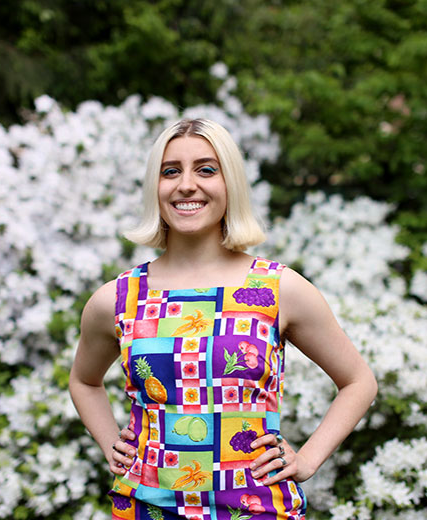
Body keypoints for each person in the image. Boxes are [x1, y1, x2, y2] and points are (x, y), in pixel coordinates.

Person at [69, 118, 377, 519]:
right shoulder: (119, 298)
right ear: (155, 187)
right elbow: (83, 380)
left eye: (206, 169)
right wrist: (112, 441)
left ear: (230, 183)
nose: (186, 185)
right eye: (170, 171)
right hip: (147, 508)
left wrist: (307, 459)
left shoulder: (276, 288)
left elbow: (359, 381)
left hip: (257, 509)